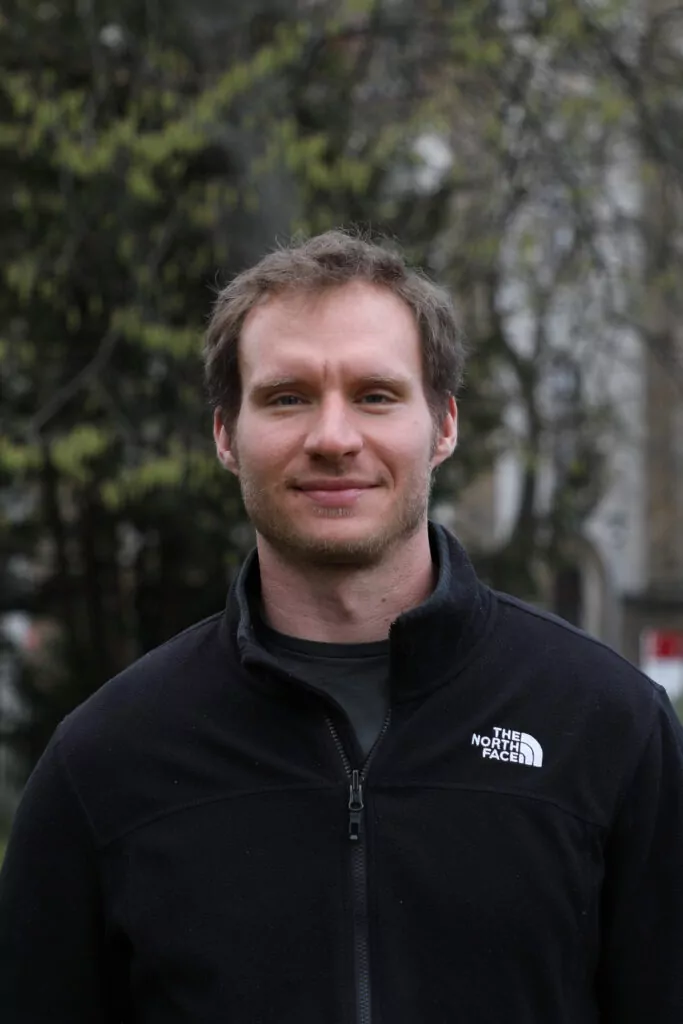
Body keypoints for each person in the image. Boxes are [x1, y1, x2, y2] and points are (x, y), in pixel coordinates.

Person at [1, 229, 682, 1024]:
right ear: (226, 434)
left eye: (375, 395)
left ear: (444, 426)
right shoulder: (106, 763)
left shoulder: (604, 726)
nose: (332, 438)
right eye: (287, 396)